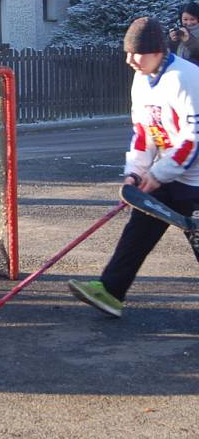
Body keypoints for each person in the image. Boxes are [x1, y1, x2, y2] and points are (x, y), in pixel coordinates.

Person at [69, 16, 199, 317]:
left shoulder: (185, 78)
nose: (129, 60)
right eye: (126, 52)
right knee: (138, 230)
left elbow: (194, 138)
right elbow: (143, 132)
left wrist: (158, 174)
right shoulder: (141, 80)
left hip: (192, 180)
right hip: (169, 175)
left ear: (158, 51)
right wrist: (136, 172)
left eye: (136, 53)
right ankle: (111, 291)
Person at [168, 1, 199, 66]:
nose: (189, 23)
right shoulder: (180, 31)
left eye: (192, 19)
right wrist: (173, 41)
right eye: (185, 19)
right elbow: (170, 53)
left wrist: (188, 41)